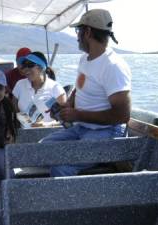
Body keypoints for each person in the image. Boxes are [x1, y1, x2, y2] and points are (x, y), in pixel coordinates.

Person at [40, 9, 132, 177]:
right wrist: (66, 107)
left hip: (108, 132)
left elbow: (122, 115)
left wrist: (78, 115)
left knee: (61, 167)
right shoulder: (85, 59)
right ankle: (90, 162)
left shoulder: (113, 66)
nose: (77, 36)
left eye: (79, 31)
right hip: (82, 127)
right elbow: (79, 88)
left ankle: (71, 199)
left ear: (88, 32)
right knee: (41, 149)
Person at [12, 51, 66, 123]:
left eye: (30, 65)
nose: (26, 69)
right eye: (24, 65)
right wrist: (26, 123)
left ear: (41, 67)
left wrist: (45, 125)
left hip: (49, 132)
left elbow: (63, 119)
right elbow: (14, 109)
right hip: (24, 132)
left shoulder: (56, 88)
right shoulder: (19, 85)